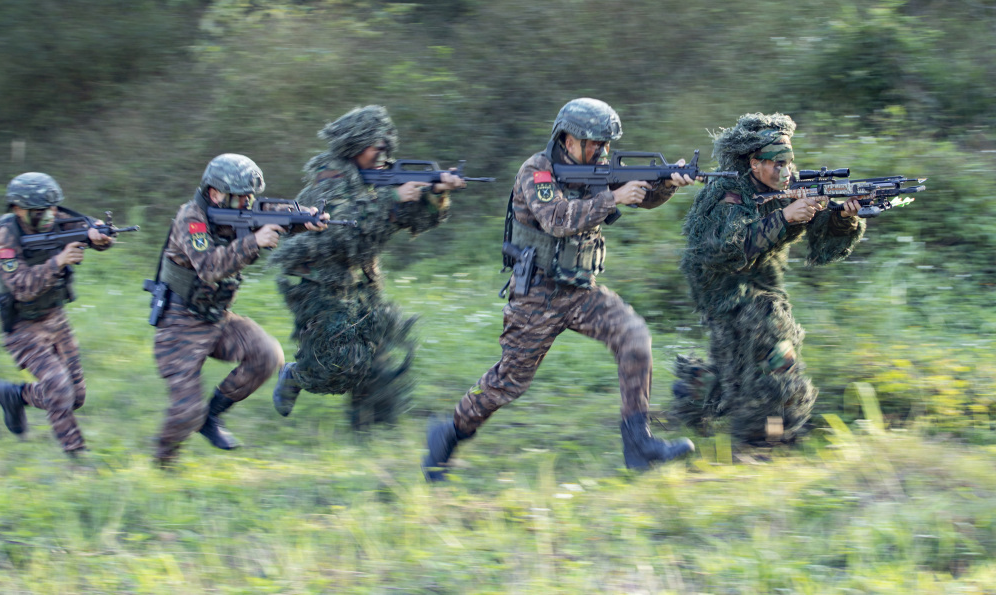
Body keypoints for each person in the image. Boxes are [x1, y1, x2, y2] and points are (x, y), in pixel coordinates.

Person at [422, 97, 696, 481]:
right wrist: (612, 198)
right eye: (594, 144)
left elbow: (644, 197)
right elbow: (555, 219)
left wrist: (667, 184)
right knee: (508, 382)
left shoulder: (600, 169)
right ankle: (449, 434)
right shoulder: (537, 171)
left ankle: (639, 442)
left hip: (581, 290)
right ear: (568, 139)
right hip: (537, 293)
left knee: (635, 339)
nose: (602, 152)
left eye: (606, 145)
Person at [670, 112, 865, 446]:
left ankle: (696, 388)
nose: (786, 171)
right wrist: (785, 218)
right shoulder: (726, 194)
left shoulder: (792, 186)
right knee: (778, 361)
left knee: (739, 375)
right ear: (754, 163)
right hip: (726, 294)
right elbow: (728, 250)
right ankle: (768, 440)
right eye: (776, 164)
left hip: (764, 290)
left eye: (789, 162)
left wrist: (841, 218)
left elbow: (824, 242)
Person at [270, 105, 465, 429]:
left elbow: (410, 220)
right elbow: (340, 227)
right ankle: (297, 375)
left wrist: (435, 196)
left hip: (358, 281)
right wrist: (391, 199)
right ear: (355, 144)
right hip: (316, 281)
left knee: (378, 350)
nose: (381, 153)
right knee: (341, 362)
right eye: (376, 146)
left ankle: (372, 428)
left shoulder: (381, 176)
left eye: (385, 146)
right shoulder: (328, 178)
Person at [150, 153, 326, 466]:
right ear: (215, 193)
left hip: (216, 317)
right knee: (186, 411)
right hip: (180, 323)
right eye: (239, 197)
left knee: (268, 355)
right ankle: (163, 460)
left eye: (250, 197)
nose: (247, 203)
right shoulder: (191, 219)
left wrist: (304, 218)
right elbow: (208, 267)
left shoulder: (239, 208)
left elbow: (273, 212)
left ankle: (212, 417)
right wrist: (254, 242)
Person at [0, 172, 114, 457]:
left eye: (54, 208)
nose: (51, 216)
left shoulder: (55, 218)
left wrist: (99, 236)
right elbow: (20, 287)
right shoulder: (5, 237)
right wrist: (59, 261)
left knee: (76, 397)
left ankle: (15, 395)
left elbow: (89, 229)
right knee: (59, 389)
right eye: (41, 211)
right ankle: (77, 456)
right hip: (22, 328)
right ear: (18, 209)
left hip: (56, 320)